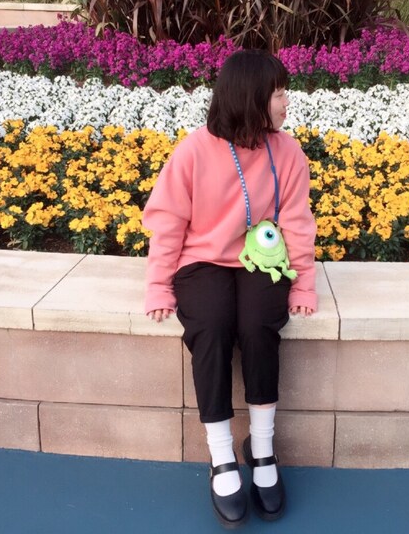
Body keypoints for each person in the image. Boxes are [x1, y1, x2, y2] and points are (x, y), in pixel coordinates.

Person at [143, 49, 317, 528]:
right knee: (212, 326)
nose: (286, 102)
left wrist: (303, 285)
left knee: (259, 325)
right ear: (251, 98)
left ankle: (261, 448)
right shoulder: (194, 151)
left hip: (260, 259)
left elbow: (298, 222)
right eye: (279, 93)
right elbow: (168, 222)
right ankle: (221, 454)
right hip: (202, 259)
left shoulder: (288, 151)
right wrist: (158, 286)